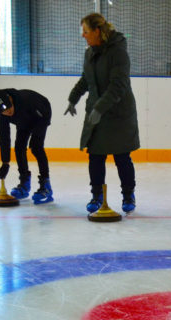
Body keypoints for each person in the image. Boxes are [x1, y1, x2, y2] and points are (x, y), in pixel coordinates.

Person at [65, 13, 140, 215]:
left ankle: (128, 195)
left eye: (86, 31)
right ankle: (97, 196)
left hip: (118, 113)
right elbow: (86, 79)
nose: (83, 35)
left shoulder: (118, 52)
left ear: (97, 32)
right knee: (95, 156)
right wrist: (73, 98)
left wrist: (99, 108)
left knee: (122, 156)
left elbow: (119, 85)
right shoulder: (90, 53)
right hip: (96, 111)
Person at [0, 89, 53, 204]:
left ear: (10, 99)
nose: (8, 112)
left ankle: (46, 186)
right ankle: (24, 183)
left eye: (9, 108)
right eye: (4, 111)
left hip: (40, 115)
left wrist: (38, 132)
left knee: (36, 147)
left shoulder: (27, 100)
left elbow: (44, 117)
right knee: (19, 147)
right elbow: (4, 136)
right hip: (23, 121)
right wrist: (5, 162)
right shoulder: (1, 112)